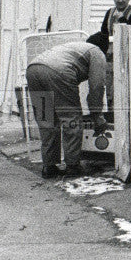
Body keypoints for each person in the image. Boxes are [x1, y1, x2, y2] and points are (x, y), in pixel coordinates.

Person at [25, 39, 107, 179]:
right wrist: (97, 116)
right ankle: (72, 166)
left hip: (33, 69)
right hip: (58, 71)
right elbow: (96, 88)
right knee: (71, 118)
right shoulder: (98, 53)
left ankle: (49, 166)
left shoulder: (76, 48)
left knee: (47, 120)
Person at [100, 0, 131, 110]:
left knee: (123, 81)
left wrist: (121, 19)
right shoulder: (109, 12)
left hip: (127, 52)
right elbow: (103, 31)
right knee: (108, 81)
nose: (120, 1)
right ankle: (109, 109)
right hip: (110, 53)